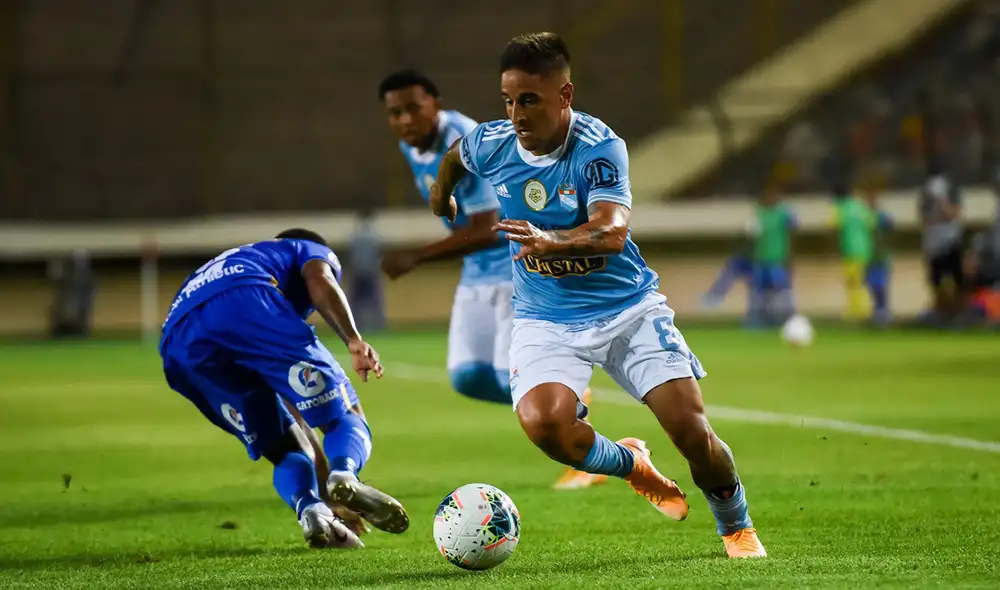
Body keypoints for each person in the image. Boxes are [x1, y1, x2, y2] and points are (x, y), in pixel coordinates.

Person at [428, 32, 765, 558]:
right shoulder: (491, 143)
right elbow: (455, 155)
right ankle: (631, 463)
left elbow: (612, 232)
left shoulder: (598, 147)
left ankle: (736, 527)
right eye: (509, 100)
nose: (517, 113)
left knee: (691, 433)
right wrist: (440, 192)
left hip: (627, 311)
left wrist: (549, 240)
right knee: (545, 426)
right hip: (546, 318)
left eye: (530, 100)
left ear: (565, 96)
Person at [377, 69, 605, 490]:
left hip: (511, 265)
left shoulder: (465, 140)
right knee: (467, 377)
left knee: (507, 376)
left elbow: (490, 226)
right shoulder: (412, 147)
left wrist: (418, 257)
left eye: (414, 108)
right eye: (396, 113)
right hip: (476, 272)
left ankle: (576, 434)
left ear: (436, 104)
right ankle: (560, 405)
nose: (405, 120)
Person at [159, 229, 408, 549]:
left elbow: (298, 417)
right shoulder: (304, 247)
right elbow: (320, 278)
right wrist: (353, 339)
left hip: (179, 346)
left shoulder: (232, 262)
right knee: (343, 413)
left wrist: (330, 499)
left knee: (282, 447)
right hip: (246, 301)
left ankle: (312, 511)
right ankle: (346, 473)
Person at [748, 185, 797, 327]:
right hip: (760, 259)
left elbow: (792, 234)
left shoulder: (784, 213)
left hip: (778, 258)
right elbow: (751, 238)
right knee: (759, 292)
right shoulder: (758, 214)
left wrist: (790, 257)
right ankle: (759, 321)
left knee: (781, 290)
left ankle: (785, 319)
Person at [919, 172, 965, 321]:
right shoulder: (926, 199)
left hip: (950, 242)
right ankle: (941, 314)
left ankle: (958, 314)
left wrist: (942, 200)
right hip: (934, 246)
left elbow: (953, 214)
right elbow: (924, 219)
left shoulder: (952, 194)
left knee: (957, 282)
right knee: (936, 282)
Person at [830, 184, 875, 322]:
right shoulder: (860, 206)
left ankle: (858, 311)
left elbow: (835, 227)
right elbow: (872, 223)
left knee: (852, 282)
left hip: (850, 250)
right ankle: (863, 309)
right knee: (860, 280)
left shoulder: (840, 208)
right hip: (864, 248)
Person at [347, 207, 386, 332]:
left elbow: (351, 256)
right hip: (371, 272)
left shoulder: (355, 237)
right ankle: (378, 325)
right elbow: (377, 255)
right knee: (374, 300)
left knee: (355, 302)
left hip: (358, 272)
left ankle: (354, 326)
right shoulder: (373, 237)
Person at [863, 186, 894, 326]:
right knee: (871, 285)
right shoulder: (864, 217)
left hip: (880, 256)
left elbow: (891, 227)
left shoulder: (881, 217)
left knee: (881, 286)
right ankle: (877, 311)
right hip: (868, 257)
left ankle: (883, 313)